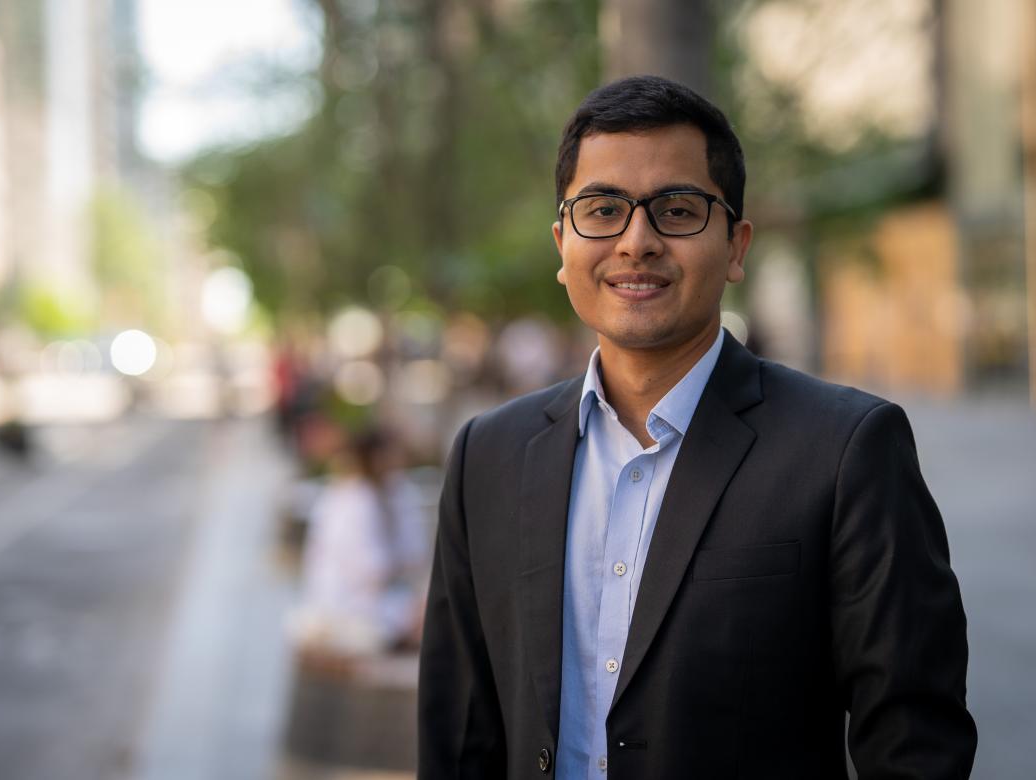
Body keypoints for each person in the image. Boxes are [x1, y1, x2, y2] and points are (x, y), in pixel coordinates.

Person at [418, 76, 976, 779]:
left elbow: (915, 743)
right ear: (563, 244)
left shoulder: (846, 450)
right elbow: (459, 730)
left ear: (736, 246)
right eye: (603, 209)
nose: (637, 241)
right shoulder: (487, 455)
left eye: (677, 210)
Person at [291, 427, 427, 656]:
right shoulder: (350, 500)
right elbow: (368, 569)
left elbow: (415, 554)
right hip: (348, 606)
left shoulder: (397, 491)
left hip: (382, 598)